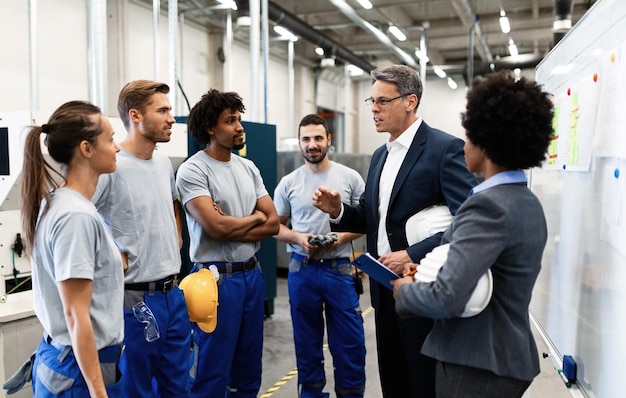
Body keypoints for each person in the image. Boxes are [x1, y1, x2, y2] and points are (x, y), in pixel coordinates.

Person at [313, 64, 477, 397]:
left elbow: (470, 222)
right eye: (371, 101)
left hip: (423, 285)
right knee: (393, 379)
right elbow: (373, 219)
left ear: (410, 101)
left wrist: (412, 255)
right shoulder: (380, 156)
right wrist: (339, 211)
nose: (373, 109)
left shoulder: (444, 149)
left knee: (423, 381)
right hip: (384, 290)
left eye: (382, 101)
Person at [392, 70, 553, 398]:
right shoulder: (526, 201)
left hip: (477, 362)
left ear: (487, 141)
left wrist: (404, 290)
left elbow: (448, 297)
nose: (463, 145)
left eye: (468, 135)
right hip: (503, 358)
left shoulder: (488, 207)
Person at [176, 88, 280, 397]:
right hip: (216, 282)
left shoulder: (247, 167)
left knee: (249, 368)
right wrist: (253, 218)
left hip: (251, 275)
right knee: (212, 369)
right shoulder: (193, 170)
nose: (239, 127)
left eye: (239, 119)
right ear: (211, 128)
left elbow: (273, 222)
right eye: (230, 121)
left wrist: (237, 223)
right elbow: (216, 226)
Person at [92, 80, 191, 397]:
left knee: (179, 387)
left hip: (173, 294)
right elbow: (83, 216)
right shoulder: (111, 166)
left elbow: (173, 203)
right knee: (137, 390)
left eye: (170, 110)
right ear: (135, 115)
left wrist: (175, 237)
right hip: (133, 300)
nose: (171, 118)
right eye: (162, 111)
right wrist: (110, 251)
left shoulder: (163, 163)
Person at [20, 101, 124, 397]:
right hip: (78, 372)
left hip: (74, 361)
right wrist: (98, 391)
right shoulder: (75, 216)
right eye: (110, 139)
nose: (116, 148)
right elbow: (76, 315)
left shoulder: (64, 204)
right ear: (86, 149)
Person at [273, 114, 366, 398]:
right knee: (307, 345)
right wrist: (298, 238)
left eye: (317, 138)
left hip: (340, 270)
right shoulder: (288, 183)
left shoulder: (350, 177)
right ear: (300, 143)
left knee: (350, 344)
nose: (312, 144)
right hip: (303, 270)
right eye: (306, 139)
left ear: (328, 140)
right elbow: (274, 225)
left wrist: (339, 237)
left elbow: (365, 220)